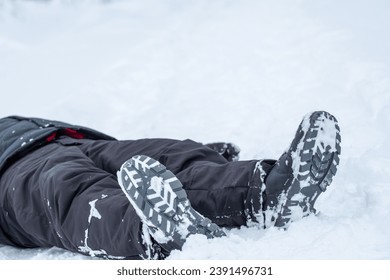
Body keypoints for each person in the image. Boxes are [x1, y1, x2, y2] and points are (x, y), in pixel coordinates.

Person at [0, 111, 341, 259]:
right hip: (14, 174)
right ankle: (154, 229)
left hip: (77, 141)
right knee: (69, 192)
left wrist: (207, 157)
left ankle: (268, 193)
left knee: (170, 152)